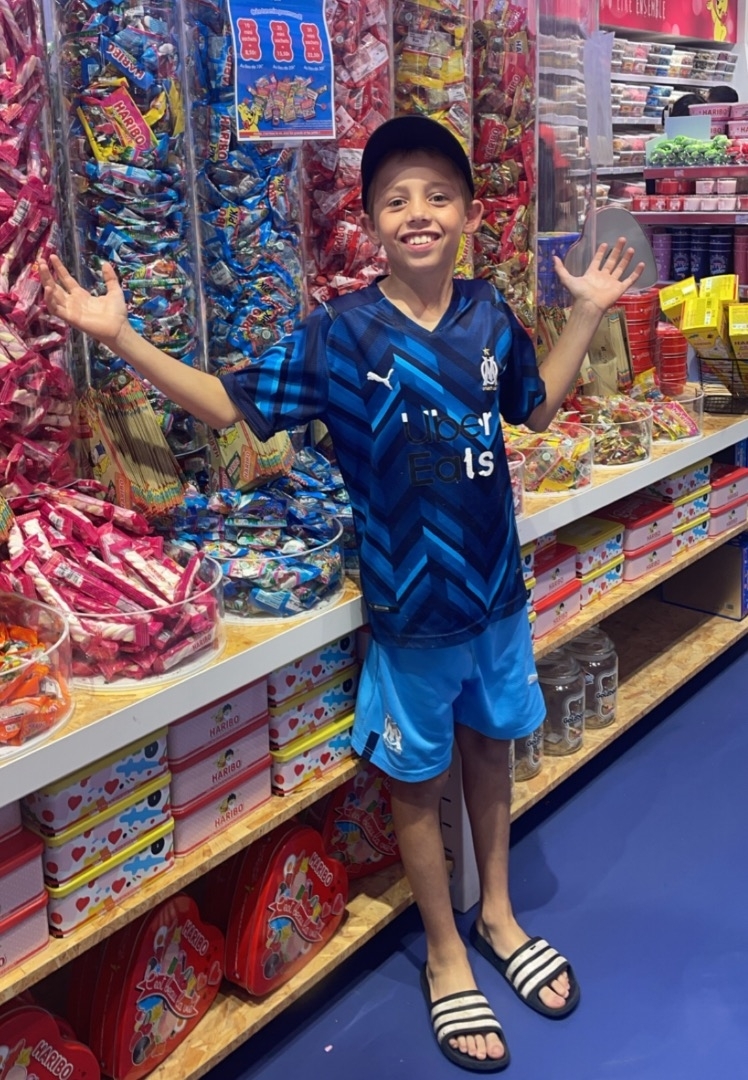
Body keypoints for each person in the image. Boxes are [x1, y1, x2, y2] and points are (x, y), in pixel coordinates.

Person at [40, 115, 643, 1073]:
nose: (418, 212)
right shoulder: (340, 334)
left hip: (497, 600)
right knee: (415, 782)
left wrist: (586, 314)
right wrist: (122, 338)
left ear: (469, 213)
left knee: (493, 754)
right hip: (410, 616)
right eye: (396, 199)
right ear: (368, 222)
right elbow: (227, 403)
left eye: (438, 195)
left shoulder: (489, 312)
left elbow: (535, 409)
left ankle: (497, 914)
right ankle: (444, 951)